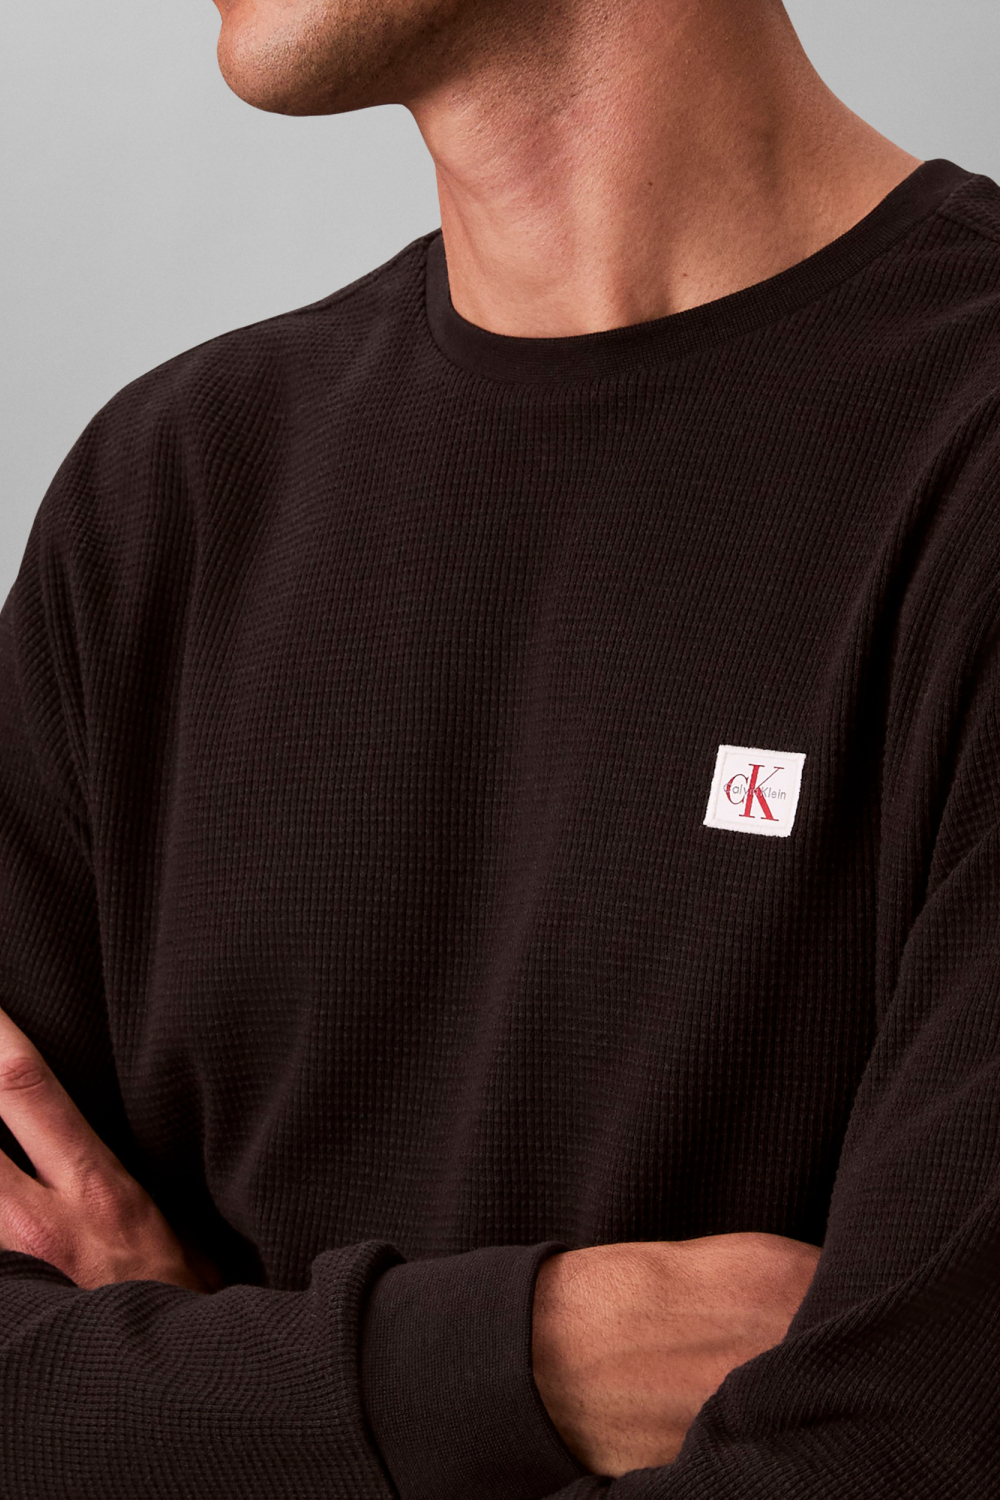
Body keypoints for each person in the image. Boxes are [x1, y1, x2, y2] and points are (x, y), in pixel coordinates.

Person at [0, 0, 997, 1493]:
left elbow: (901, 1450)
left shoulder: (966, 464)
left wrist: (198, 1400)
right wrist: (519, 1360)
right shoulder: (171, 499)